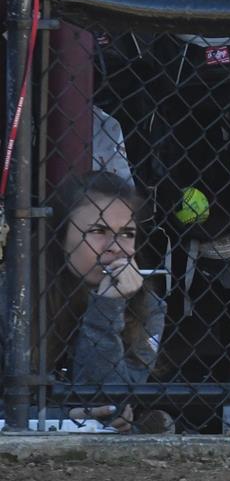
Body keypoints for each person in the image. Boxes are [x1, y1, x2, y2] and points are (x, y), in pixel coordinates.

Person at [45, 171, 168, 433]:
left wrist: (107, 306)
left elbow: (110, 404)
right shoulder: (16, 296)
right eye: (98, 230)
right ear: (60, 236)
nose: (115, 247)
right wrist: (58, 418)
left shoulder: (149, 306)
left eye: (127, 233)